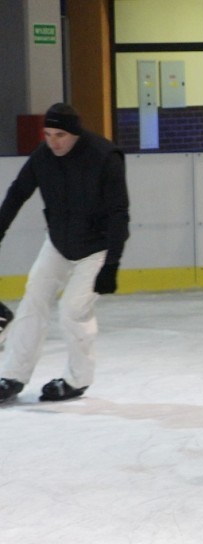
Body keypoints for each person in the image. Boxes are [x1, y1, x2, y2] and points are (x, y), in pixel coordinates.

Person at [0, 103, 130, 403]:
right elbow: (18, 192)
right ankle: (13, 375)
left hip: (96, 250)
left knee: (72, 310)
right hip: (58, 243)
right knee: (33, 299)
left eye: (60, 134)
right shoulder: (43, 156)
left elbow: (118, 213)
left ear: (75, 133)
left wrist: (112, 264)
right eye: (47, 134)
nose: (53, 141)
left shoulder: (104, 156)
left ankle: (77, 379)